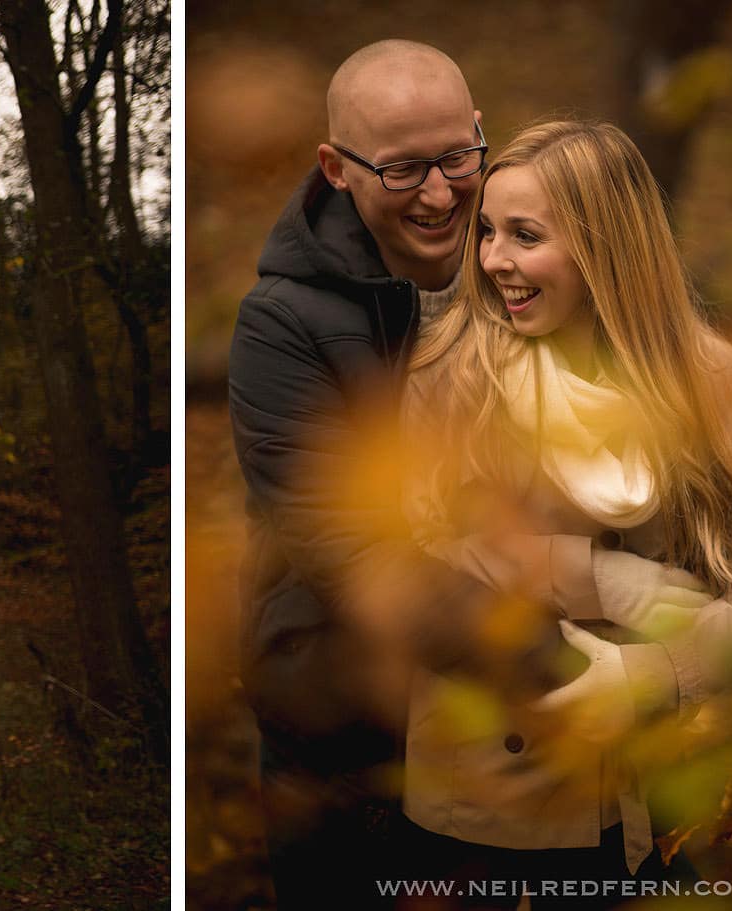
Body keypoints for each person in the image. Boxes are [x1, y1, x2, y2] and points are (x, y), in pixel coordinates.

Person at [397, 119, 732, 902]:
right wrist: (596, 576)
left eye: (525, 235)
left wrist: (652, 674)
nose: (493, 260)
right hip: (487, 808)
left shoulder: (719, 381)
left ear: (606, 247)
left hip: (657, 792)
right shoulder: (452, 372)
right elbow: (408, 565)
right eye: (488, 232)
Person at [226, 40, 537, 907]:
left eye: (457, 156)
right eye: (403, 170)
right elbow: (349, 550)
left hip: (525, 743)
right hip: (352, 739)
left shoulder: (530, 266)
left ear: (481, 134)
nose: (441, 193)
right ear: (335, 167)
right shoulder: (282, 323)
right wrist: (553, 661)